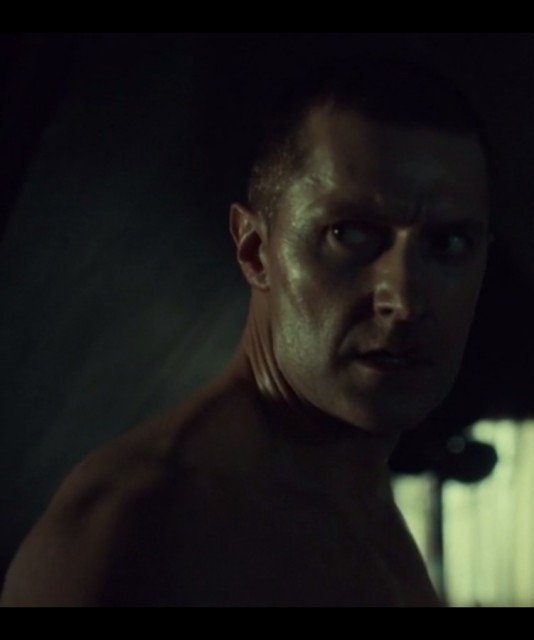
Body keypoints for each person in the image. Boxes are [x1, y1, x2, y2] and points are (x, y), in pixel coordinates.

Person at [0, 59, 492, 606]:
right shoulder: (135, 523)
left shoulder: (359, 504)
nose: (404, 301)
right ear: (256, 251)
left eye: (447, 244)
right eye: (350, 233)